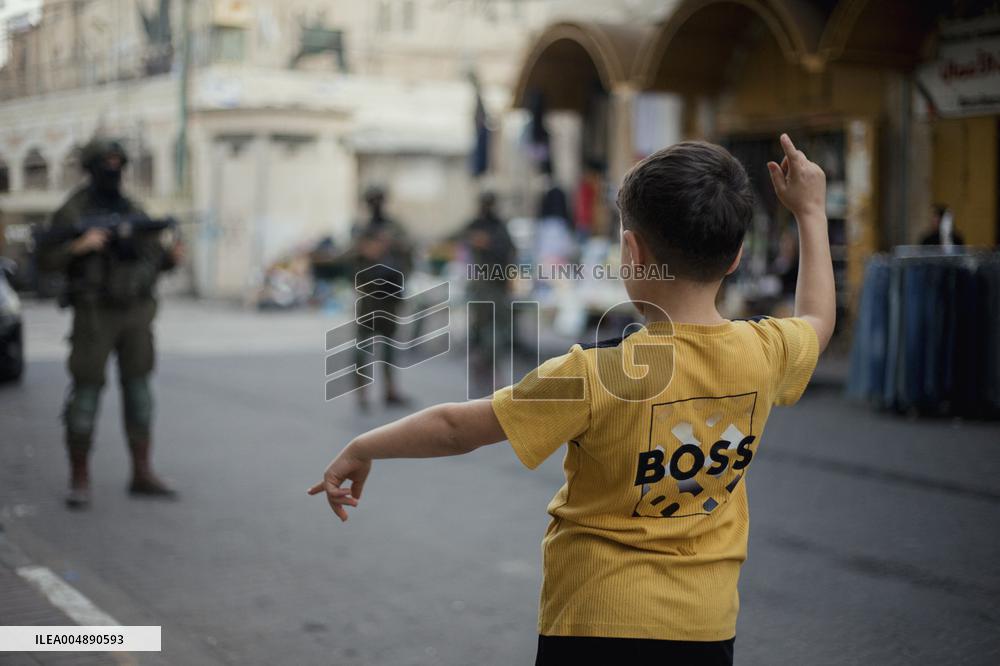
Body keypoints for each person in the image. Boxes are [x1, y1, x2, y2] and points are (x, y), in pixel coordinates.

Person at [309, 135, 835, 666]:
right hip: (706, 626)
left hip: (594, 623)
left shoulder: (594, 372)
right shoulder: (765, 351)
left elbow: (455, 428)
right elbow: (817, 320)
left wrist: (363, 445)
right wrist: (810, 212)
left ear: (631, 252)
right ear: (736, 257)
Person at [37, 138, 182, 509]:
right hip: (94, 313)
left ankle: (142, 472)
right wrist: (78, 246)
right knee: (85, 392)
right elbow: (44, 260)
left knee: (139, 392)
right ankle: (79, 478)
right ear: (92, 165)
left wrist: (171, 257)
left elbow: (154, 260)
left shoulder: (132, 208)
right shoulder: (74, 210)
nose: (113, 167)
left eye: (119, 160)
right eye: (107, 161)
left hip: (136, 313)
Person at [347, 185, 414, 410]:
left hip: (390, 294)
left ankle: (390, 391)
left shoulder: (394, 228)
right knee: (362, 346)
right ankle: (361, 393)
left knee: (389, 346)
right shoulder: (360, 230)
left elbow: (409, 251)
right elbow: (351, 257)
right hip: (368, 295)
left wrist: (390, 244)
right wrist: (367, 249)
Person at [460, 191, 516, 364]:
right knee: (480, 319)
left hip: (498, 280)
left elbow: (509, 251)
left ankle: (494, 355)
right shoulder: (475, 225)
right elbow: (460, 237)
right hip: (482, 281)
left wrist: (488, 243)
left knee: (500, 321)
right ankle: (479, 353)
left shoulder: (499, 226)